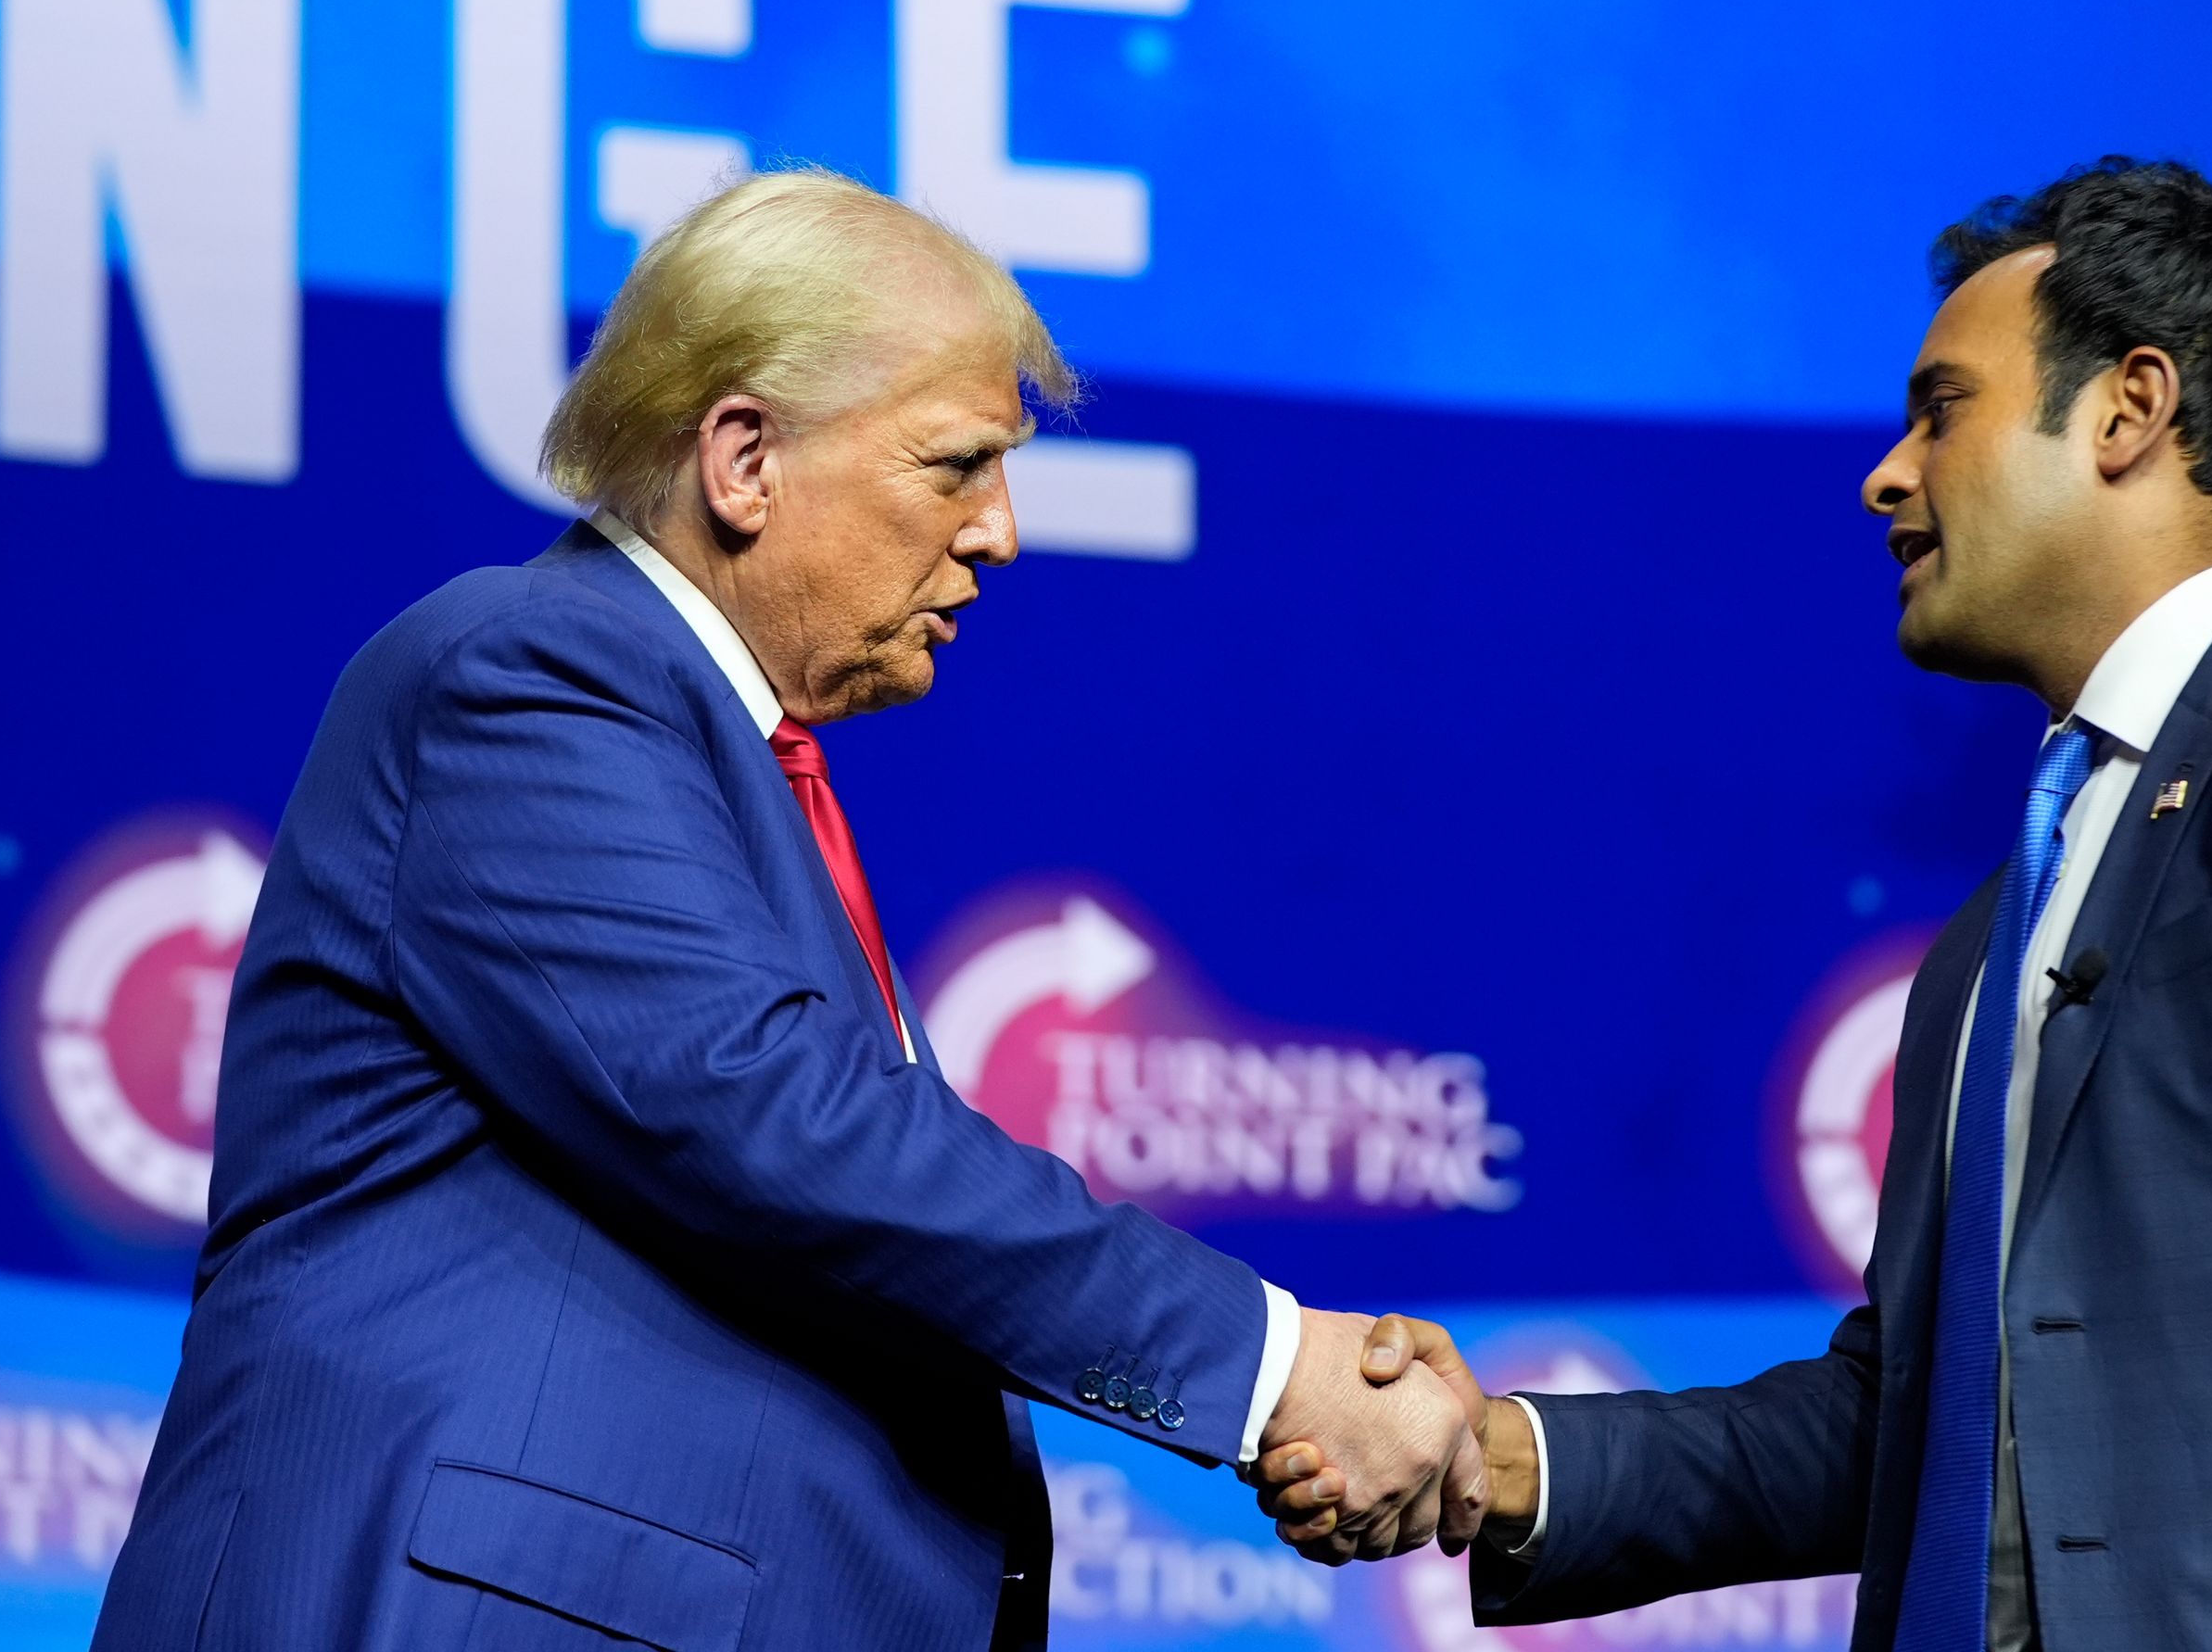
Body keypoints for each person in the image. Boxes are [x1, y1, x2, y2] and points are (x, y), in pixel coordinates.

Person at [1259, 158, 2212, 1650]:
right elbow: (1911, 1415)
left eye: (1941, 409)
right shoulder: (1990, 933)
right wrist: (1503, 1457)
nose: (1886, 474)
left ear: (2129, 408)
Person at [95, 170, 1480, 1652]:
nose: (999, 532)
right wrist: (1275, 1370)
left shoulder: (723, 762)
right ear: (744, 459)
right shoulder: (526, 675)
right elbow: (783, 1121)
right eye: (956, 465)